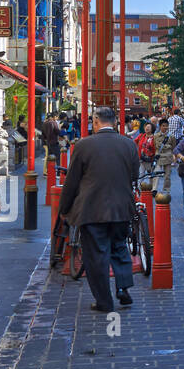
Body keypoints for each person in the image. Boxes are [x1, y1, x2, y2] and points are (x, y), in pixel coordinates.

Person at [56, 105, 140, 313]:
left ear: (95, 121)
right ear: (115, 122)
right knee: (119, 248)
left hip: (92, 209)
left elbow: (72, 181)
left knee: (97, 255)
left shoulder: (84, 145)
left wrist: (64, 207)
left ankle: (104, 300)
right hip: (121, 207)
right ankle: (123, 287)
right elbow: (134, 176)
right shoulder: (129, 144)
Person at [149, 117, 175, 195]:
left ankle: (166, 189)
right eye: (163, 126)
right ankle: (154, 189)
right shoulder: (156, 136)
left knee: (167, 175)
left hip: (168, 156)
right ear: (160, 126)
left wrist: (169, 150)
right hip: (159, 156)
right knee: (156, 173)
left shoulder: (171, 136)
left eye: (166, 126)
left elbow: (173, 146)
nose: (165, 127)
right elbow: (155, 145)